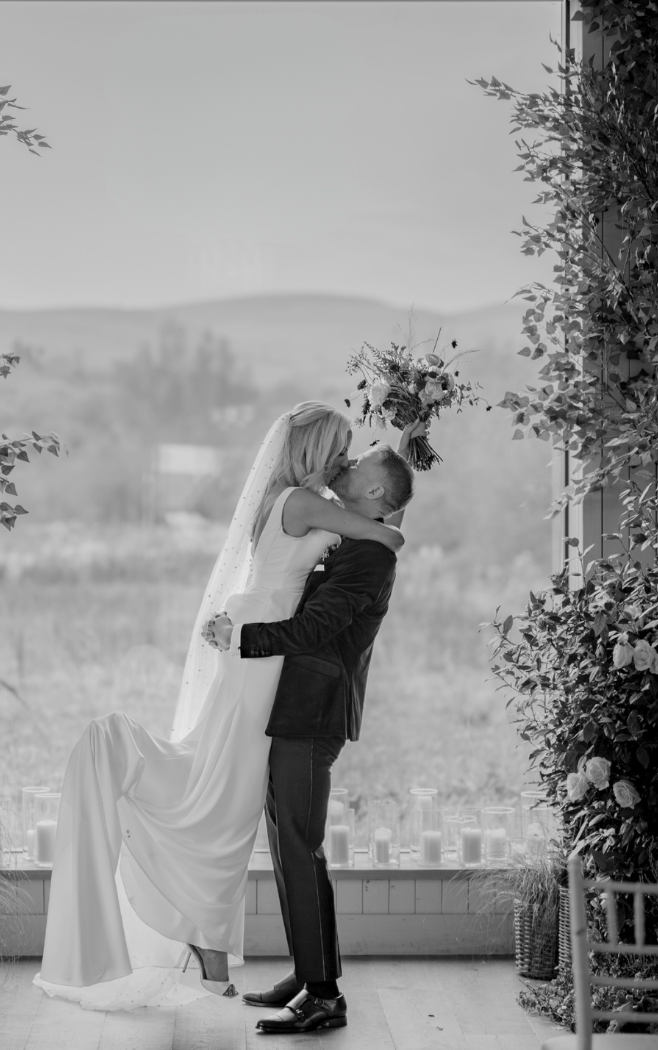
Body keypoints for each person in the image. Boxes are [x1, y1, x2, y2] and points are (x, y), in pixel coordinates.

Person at [34, 401, 415, 1011]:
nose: (344, 461)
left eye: (353, 455)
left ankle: (267, 961)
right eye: (339, 449)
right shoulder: (303, 502)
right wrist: (384, 504)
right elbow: (383, 529)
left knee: (241, 806)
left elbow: (368, 531)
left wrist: (393, 464)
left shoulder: (297, 500)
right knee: (232, 805)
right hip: (261, 659)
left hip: (266, 658)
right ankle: (229, 945)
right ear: (316, 452)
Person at [209, 438, 415, 1034]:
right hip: (293, 706)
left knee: (300, 844)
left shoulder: (371, 558)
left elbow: (319, 626)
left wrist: (242, 637)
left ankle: (325, 994)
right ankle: (305, 974)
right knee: (286, 841)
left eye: (358, 466)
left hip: (315, 710)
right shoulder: (354, 538)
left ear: (375, 492)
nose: (345, 468)